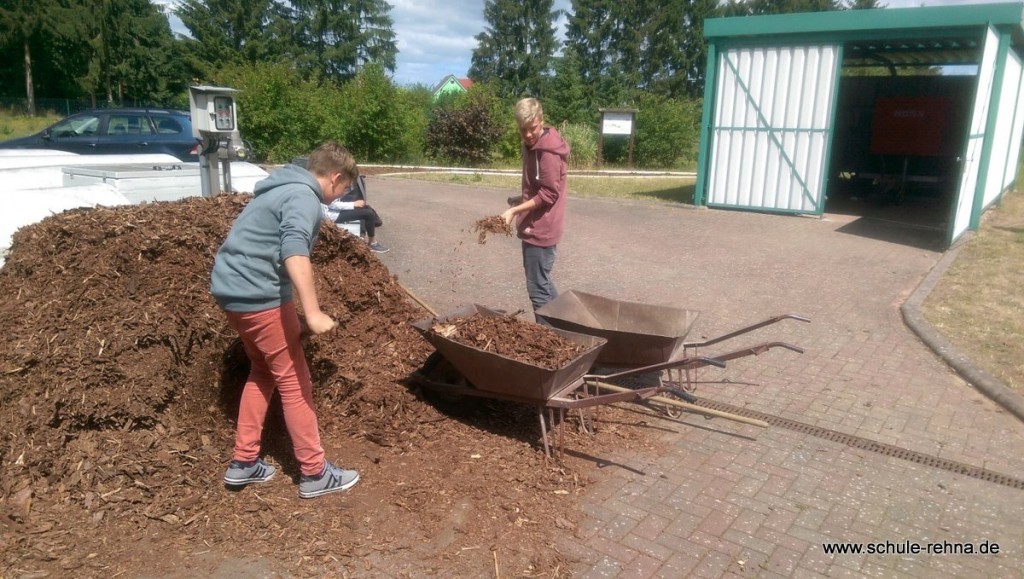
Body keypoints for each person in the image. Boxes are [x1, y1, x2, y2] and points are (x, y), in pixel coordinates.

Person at [210, 141, 360, 499]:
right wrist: (313, 313)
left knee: (262, 371)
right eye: (344, 188)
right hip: (258, 296)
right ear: (335, 178)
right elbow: (294, 250)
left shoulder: (278, 189)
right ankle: (315, 472)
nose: (342, 195)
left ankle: (244, 462)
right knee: (295, 382)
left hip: (232, 293)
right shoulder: (304, 197)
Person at [501, 97, 571, 315]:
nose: (528, 134)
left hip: (542, 228)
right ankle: (567, 321)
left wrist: (514, 210)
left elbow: (549, 194)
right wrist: (521, 199)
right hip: (536, 224)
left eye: (532, 128)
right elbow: (540, 188)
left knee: (538, 290)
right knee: (542, 283)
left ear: (541, 120)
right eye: (523, 130)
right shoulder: (531, 146)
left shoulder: (547, 152)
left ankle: (550, 333)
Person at [321, 175, 389, 253]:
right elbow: (331, 204)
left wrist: (355, 204)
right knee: (368, 214)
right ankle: (372, 243)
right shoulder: (328, 186)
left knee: (365, 208)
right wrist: (353, 204)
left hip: (334, 211)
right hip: (331, 216)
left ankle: (363, 235)